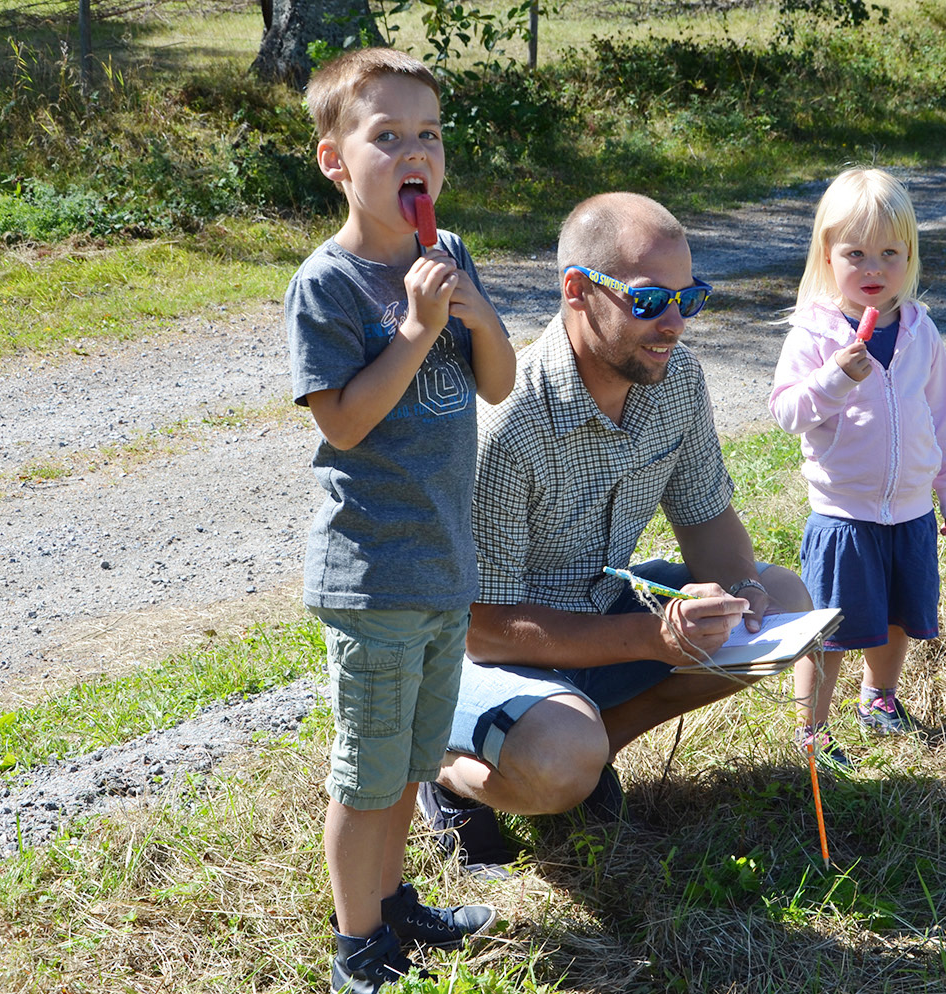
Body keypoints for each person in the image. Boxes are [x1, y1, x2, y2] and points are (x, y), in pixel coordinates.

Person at [417, 191, 814, 873]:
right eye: (649, 301)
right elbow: (482, 626)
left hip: (595, 616)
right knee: (562, 756)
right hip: (468, 655)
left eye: (689, 300)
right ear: (577, 291)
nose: (673, 324)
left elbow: (706, 517)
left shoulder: (676, 379)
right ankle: (440, 771)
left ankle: (592, 757)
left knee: (785, 602)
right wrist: (656, 637)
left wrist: (742, 593)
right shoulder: (508, 424)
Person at [286, 47, 518, 992]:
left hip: (442, 562)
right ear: (336, 160)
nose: (414, 151)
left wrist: (477, 314)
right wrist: (418, 331)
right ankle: (358, 944)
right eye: (387, 136)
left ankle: (393, 903)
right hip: (373, 569)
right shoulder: (329, 285)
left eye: (428, 134)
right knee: (367, 771)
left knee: (415, 759)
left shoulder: (445, 254)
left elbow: (497, 382)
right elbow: (341, 420)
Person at [768, 167, 946, 769]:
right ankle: (812, 728)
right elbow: (787, 412)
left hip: (908, 509)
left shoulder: (919, 330)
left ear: (910, 256)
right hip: (844, 513)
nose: (874, 270)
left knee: (898, 617)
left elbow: (941, 415)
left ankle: (879, 697)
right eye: (855, 254)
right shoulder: (814, 333)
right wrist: (836, 377)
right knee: (831, 628)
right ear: (826, 257)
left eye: (890, 253)